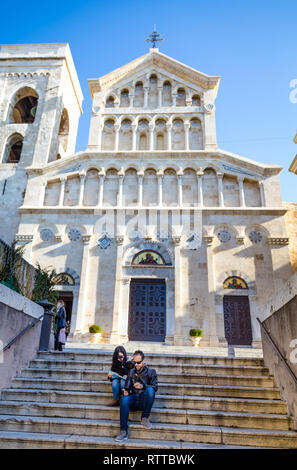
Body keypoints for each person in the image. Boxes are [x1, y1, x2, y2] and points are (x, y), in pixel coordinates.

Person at [115, 350, 158, 443]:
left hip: (144, 400)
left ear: (144, 361)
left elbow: (155, 387)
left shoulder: (151, 372)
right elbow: (127, 387)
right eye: (135, 362)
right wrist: (126, 391)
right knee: (124, 399)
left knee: (150, 390)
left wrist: (143, 386)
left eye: (139, 362)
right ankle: (123, 431)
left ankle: (145, 417)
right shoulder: (131, 372)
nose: (137, 364)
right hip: (134, 399)